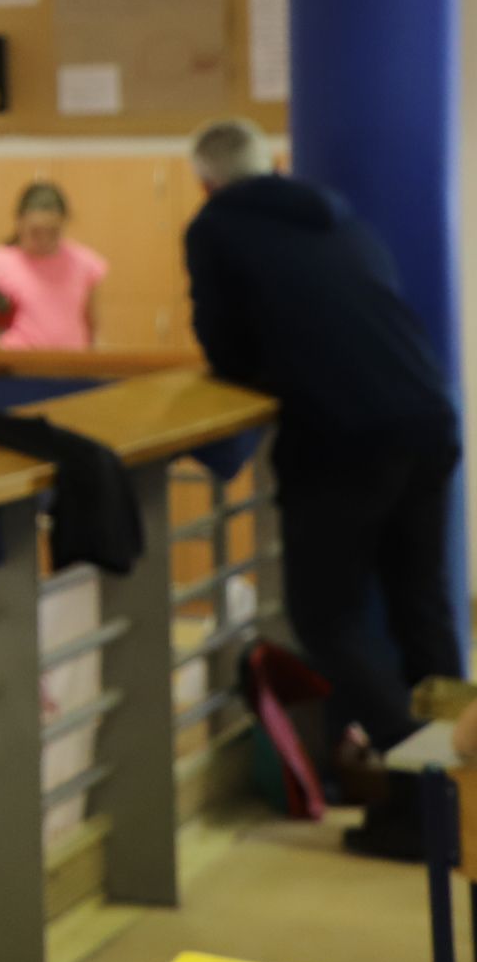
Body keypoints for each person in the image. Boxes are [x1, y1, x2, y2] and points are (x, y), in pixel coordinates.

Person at [184, 115, 460, 846]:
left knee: (325, 620)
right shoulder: (337, 215)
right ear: (272, 163)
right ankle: (451, 801)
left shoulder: (216, 227)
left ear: (207, 184)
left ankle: (430, 784)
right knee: (423, 614)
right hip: (427, 415)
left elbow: (223, 345)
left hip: (344, 437)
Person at [0, 180, 105, 350]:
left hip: (71, 361)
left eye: (52, 232)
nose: (44, 240)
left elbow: (92, 323)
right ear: (19, 223)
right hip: (15, 361)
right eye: (36, 232)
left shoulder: (83, 264)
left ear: (64, 223)